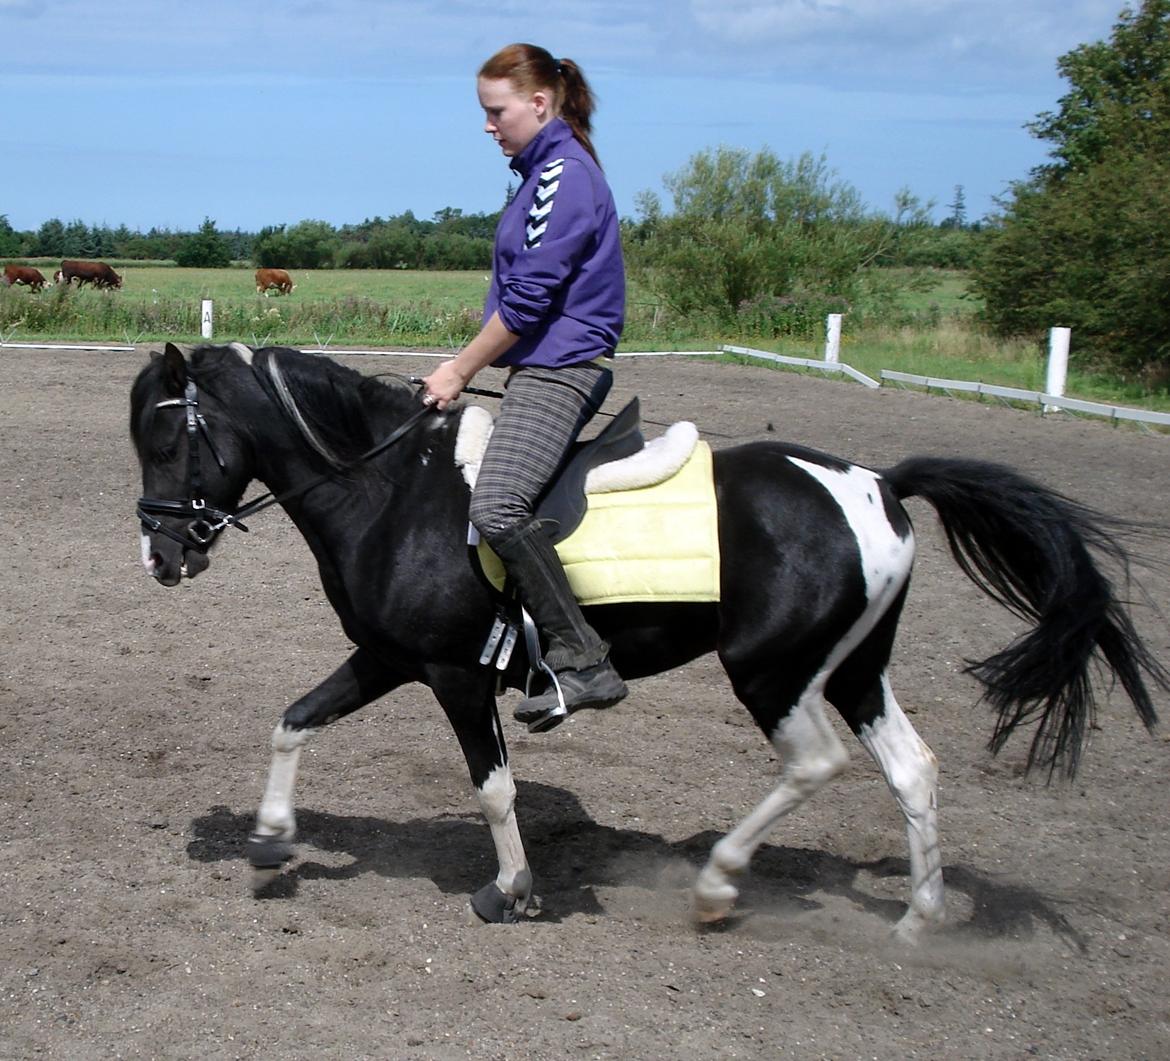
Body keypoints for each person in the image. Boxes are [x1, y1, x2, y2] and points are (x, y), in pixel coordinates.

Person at [421, 42, 627, 731]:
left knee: (499, 506)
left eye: (495, 110)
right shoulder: (542, 173)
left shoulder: (562, 177)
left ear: (539, 104)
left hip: (559, 370)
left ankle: (584, 657)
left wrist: (458, 369)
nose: (488, 124)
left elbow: (530, 302)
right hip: (545, 364)